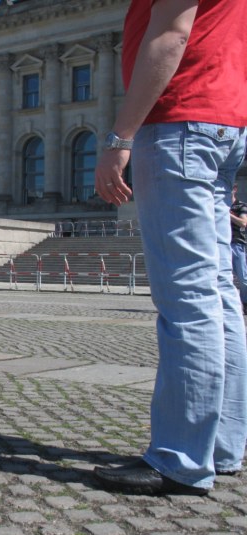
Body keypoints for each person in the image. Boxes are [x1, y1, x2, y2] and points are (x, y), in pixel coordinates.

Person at [93, 0, 247, 495]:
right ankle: (220, 447)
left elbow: (171, 36)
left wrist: (120, 137)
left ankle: (180, 459)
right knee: (218, 294)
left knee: (188, 299)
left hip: (180, 120)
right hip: (224, 120)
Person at [229, 184, 247, 314]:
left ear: (234, 189)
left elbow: (243, 222)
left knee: (243, 278)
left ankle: (245, 302)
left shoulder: (240, 206)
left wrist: (227, 214)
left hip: (237, 244)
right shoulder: (217, 205)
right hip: (221, 244)